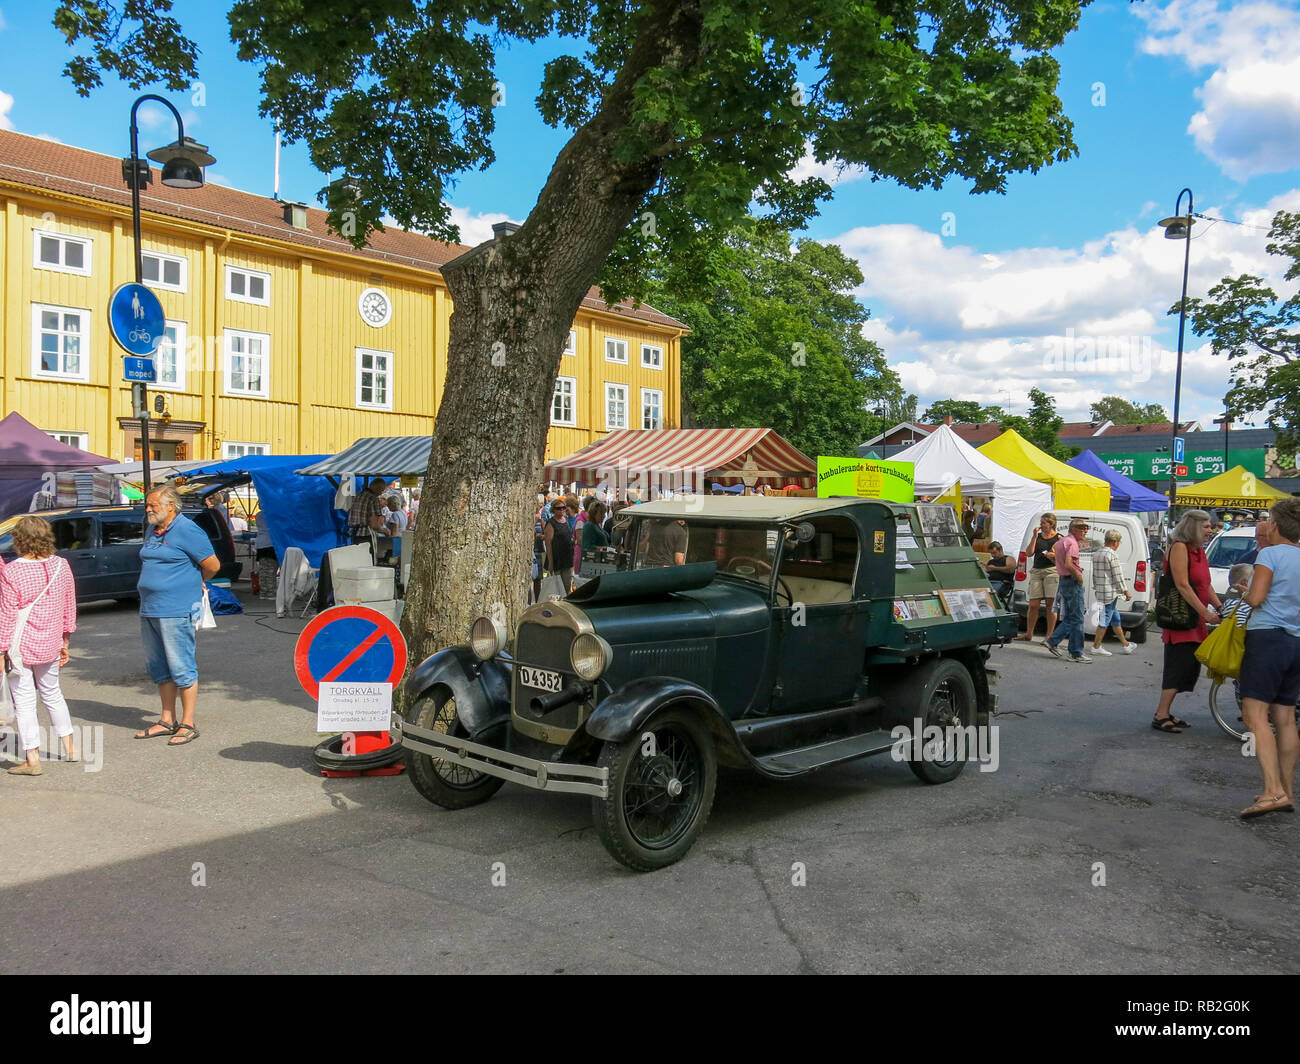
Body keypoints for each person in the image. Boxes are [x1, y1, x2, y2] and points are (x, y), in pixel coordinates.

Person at [133, 485, 220, 747]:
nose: (148, 509)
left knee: (181, 666)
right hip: (150, 608)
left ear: (171, 506)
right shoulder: (152, 528)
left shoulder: (188, 530)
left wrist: (195, 582)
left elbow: (213, 565)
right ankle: (166, 719)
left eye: (153, 505)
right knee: (159, 667)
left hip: (176, 609)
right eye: (147, 505)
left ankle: (188, 723)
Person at [1237, 498, 1300, 817]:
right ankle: (1287, 791)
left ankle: (1273, 791)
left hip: (1267, 639)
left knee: (1254, 715)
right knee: (1285, 717)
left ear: (1275, 525)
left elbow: (1257, 599)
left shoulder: (1269, 554)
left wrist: (1244, 591)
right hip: (1295, 641)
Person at [0, 518, 77, 774]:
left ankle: (32, 760)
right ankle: (71, 749)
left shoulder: (11, 571)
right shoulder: (62, 565)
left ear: (19, 539)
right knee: (53, 693)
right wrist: (65, 640)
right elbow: (69, 606)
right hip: (51, 643)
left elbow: (7, 615)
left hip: (19, 647)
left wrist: (1, 650)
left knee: (24, 702)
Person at [1152, 509, 1221, 734]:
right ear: (1193, 527)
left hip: (1194, 618)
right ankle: (1161, 714)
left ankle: (1166, 711)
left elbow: (1206, 584)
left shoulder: (1199, 550)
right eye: (1206, 526)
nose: (1210, 530)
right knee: (1177, 665)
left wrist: (1219, 606)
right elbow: (1182, 584)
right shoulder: (1180, 548)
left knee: (1188, 666)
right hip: (1181, 617)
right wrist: (1205, 611)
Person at [1045, 518, 1091, 663]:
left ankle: (1053, 641)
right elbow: (1069, 563)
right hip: (1071, 581)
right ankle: (1076, 652)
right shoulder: (1072, 543)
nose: (1085, 530)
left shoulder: (1062, 541)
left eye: (1086, 527)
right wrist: (1078, 575)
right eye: (1081, 527)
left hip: (1064, 580)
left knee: (1072, 616)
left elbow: (1058, 560)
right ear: (1073, 529)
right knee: (1077, 618)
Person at [1091, 529, 1135, 656]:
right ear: (1115, 542)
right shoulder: (1112, 555)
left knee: (1115, 618)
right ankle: (1096, 646)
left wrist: (1096, 587)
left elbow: (1095, 574)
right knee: (1104, 620)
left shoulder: (1097, 553)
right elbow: (1118, 576)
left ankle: (1126, 645)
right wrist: (1125, 591)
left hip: (1100, 591)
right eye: (1119, 542)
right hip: (1110, 593)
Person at [1019, 513, 1061, 643]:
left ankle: (1049, 636)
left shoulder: (1059, 538)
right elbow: (1029, 553)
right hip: (1037, 571)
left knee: (1050, 604)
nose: (1041, 525)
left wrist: (1053, 555)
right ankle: (1029, 633)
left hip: (1052, 571)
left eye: (1043, 523)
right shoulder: (1038, 537)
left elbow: (1063, 556)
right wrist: (1034, 536)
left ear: (1051, 524)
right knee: (1033, 604)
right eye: (1041, 522)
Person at [543, 497, 577, 593]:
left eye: (563, 507)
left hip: (567, 559)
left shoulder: (566, 520)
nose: (562, 510)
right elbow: (548, 544)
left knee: (567, 587)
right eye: (559, 508)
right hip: (556, 560)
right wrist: (550, 562)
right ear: (553, 510)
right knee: (557, 588)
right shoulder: (551, 523)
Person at [347, 477, 388, 546]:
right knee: (367, 556)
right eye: (381, 491)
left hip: (353, 535)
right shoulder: (373, 499)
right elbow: (374, 525)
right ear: (378, 488)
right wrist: (385, 531)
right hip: (365, 536)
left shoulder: (357, 496)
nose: (381, 493)